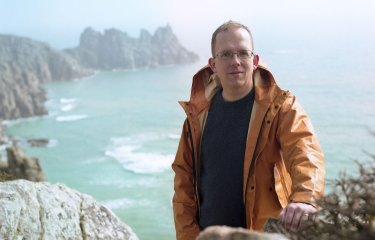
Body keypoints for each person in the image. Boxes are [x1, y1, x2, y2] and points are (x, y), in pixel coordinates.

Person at [172, 20, 325, 240]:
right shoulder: (197, 116)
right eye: (226, 54)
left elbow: (305, 150)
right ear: (213, 64)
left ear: (254, 60)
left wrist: (304, 197)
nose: (235, 61)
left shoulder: (281, 107)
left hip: (258, 234)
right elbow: (183, 185)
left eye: (243, 53)